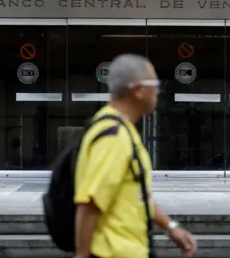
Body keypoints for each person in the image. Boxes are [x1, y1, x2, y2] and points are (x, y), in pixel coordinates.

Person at [73, 54, 197, 258]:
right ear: (139, 89)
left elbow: (137, 193)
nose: (158, 90)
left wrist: (170, 227)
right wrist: (82, 255)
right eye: (155, 84)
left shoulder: (124, 131)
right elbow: (90, 204)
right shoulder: (113, 136)